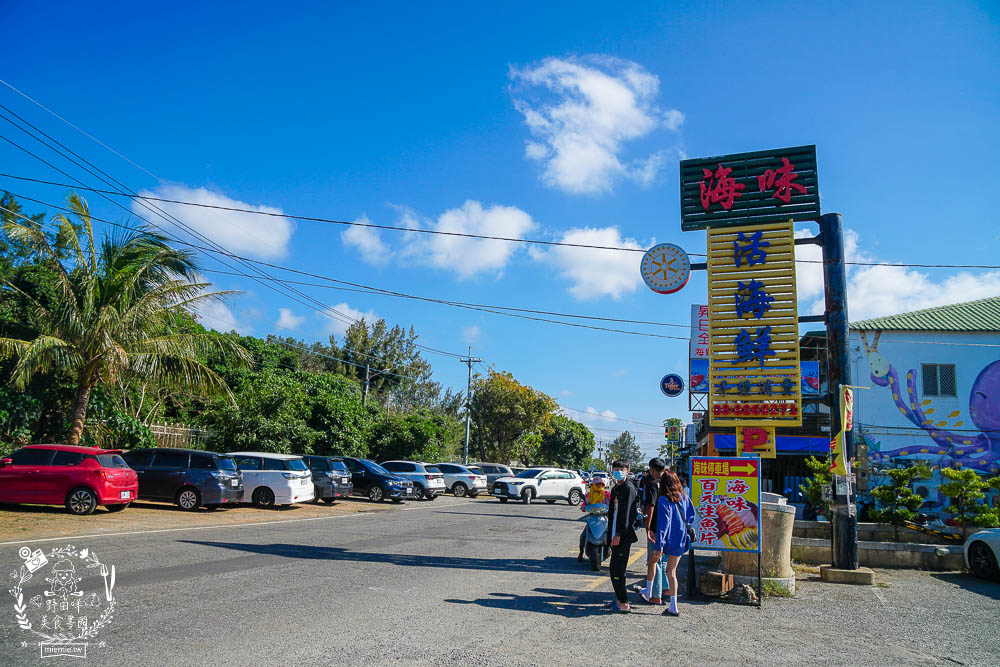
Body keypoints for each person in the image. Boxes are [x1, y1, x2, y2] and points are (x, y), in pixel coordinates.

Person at [652, 469, 695, 617]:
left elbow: (663, 525)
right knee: (672, 572)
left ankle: (671, 604)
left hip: (668, 540)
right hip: (681, 540)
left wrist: (659, 545)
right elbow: (691, 516)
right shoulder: (684, 497)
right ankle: (673, 606)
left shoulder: (663, 500)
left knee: (664, 569)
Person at [605, 459, 638, 613]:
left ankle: (624, 603)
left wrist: (618, 534)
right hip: (614, 534)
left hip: (623, 536)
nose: (618, 471)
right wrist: (608, 533)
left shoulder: (629, 488)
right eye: (615, 469)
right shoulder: (616, 489)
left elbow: (626, 515)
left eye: (621, 469)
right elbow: (612, 514)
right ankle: (619, 599)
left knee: (617, 570)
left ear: (627, 470)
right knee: (614, 569)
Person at [633, 458, 666, 604]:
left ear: (652, 469)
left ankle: (655, 595)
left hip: (656, 527)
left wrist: (648, 527)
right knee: (663, 560)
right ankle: (666, 590)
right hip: (669, 528)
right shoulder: (672, 483)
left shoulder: (654, 485)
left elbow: (651, 506)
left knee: (654, 561)